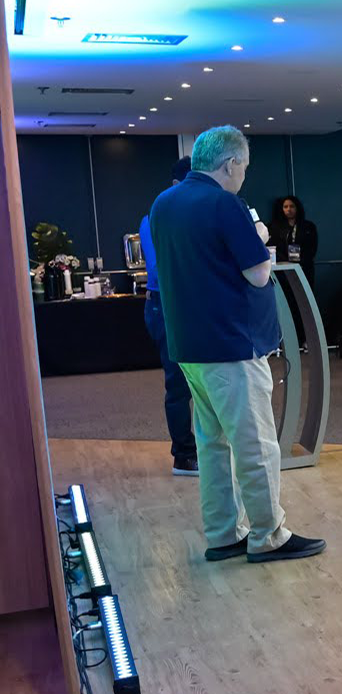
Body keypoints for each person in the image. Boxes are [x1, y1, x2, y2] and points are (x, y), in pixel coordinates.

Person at [148, 125, 324, 564]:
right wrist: (258, 235)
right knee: (255, 444)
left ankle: (224, 533)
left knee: (212, 446)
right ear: (230, 164)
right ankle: (269, 535)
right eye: (244, 167)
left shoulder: (163, 203)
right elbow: (259, 274)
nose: (244, 175)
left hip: (189, 345)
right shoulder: (226, 204)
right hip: (232, 345)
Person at [139, 157, 198, 475]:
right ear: (176, 184)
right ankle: (184, 455)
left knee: (204, 382)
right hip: (165, 306)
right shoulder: (155, 218)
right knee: (178, 384)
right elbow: (158, 269)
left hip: (190, 305)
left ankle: (203, 449)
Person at [265, 194, 317, 285]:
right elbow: (271, 247)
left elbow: (312, 248)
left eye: (292, 206)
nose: (289, 209)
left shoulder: (308, 227)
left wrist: (301, 261)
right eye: (285, 207)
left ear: (297, 208)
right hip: (283, 270)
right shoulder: (274, 227)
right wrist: (285, 260)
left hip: (304, 269)